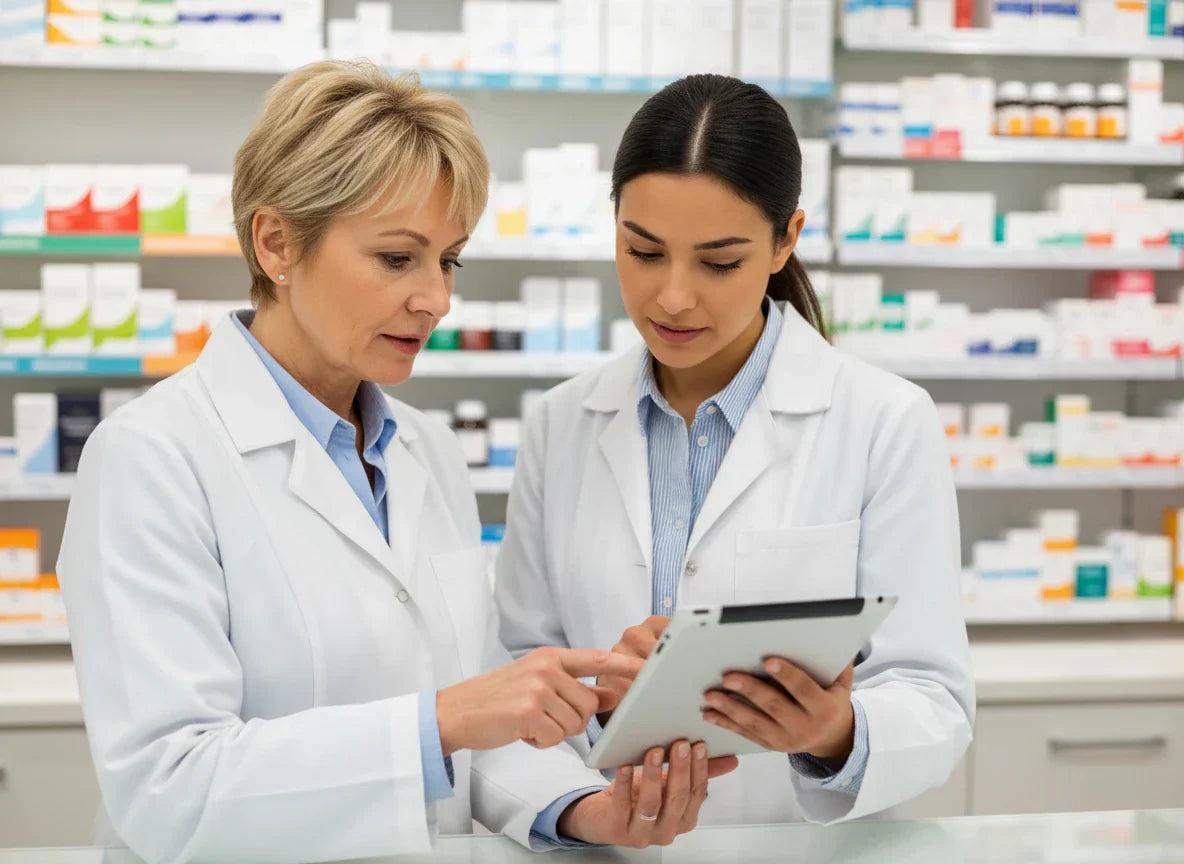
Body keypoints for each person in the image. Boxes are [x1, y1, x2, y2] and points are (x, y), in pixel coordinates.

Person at [57, 62, 736, 864]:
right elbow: (168, 789)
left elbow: (481, 734)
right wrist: (440, 719)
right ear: (276, 243)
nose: (436, 299)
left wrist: (585, 809)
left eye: (449, 261)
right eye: (396, 258)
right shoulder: (153, 457)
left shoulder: (424, 451)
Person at [495, 74, 975, 827]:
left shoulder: (883, 419)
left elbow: (934, 700)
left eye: (719, 263)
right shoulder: (561, 424)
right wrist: (593, 737)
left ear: (786, 238)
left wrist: (831, 733)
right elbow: (515, 675)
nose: (673, 297)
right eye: (644, 251)